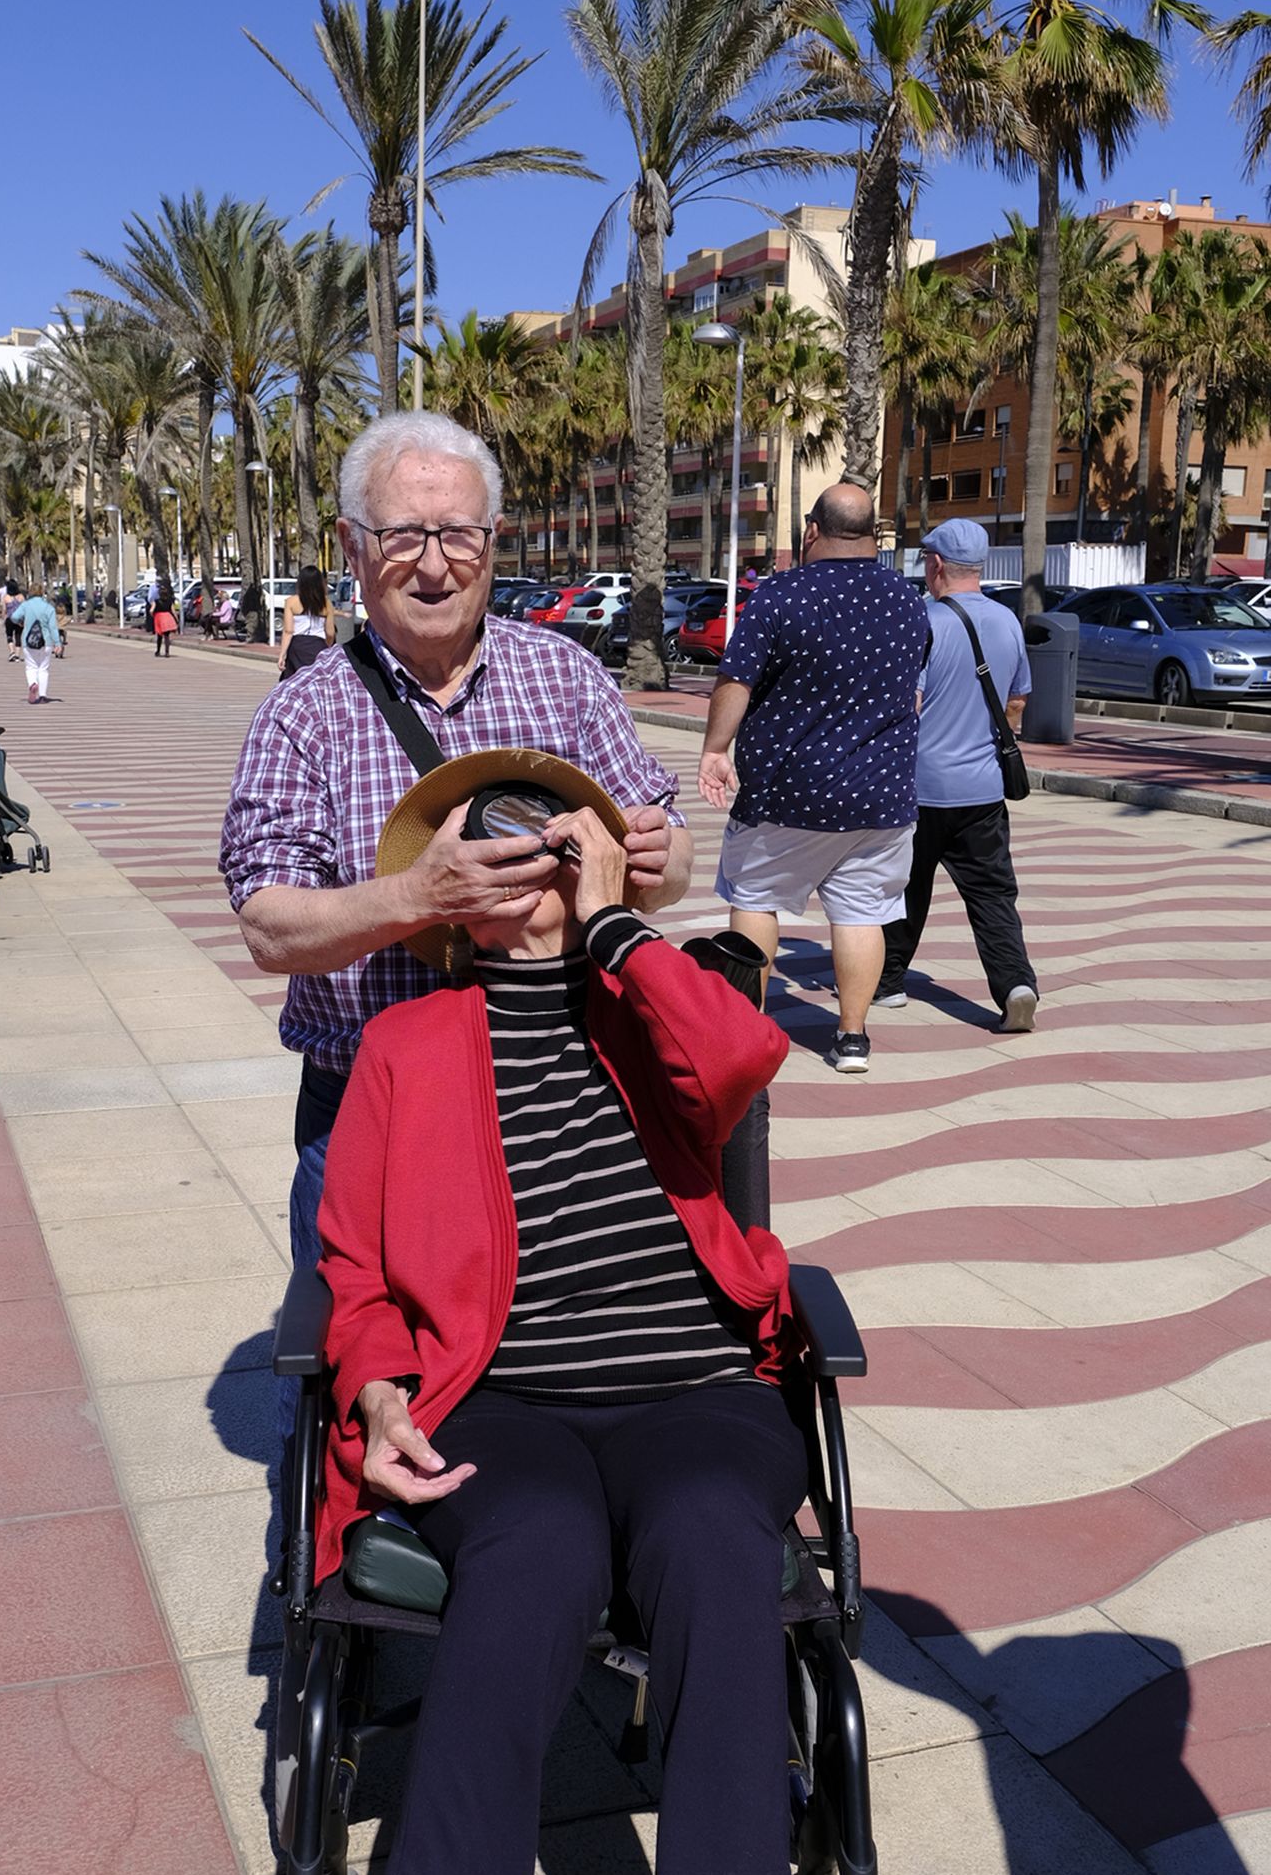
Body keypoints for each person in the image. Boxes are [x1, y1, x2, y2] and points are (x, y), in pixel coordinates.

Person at [314, 758, 810, 1875]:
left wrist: (617, 927)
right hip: (508, 1395)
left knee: (719, 1531)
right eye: (489, 843)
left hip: (695, 1386)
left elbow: (736, 1066)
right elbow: (352, 1266)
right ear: (452, 893)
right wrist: (375, 1379)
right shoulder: (409, 1045)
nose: (523, 859)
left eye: (550, 835)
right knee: (528, 1543)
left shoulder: (652, 989)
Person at [219, 408, 693, 1278]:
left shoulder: (567, 676)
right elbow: (267, 930)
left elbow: (670, 851)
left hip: (564, 1098)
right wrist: (418, 897)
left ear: (493, 539)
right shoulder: (301, 713)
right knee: (367, 1375)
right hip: (372, 1112)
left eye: (460, 534)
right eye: (404, 533)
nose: (435, 564)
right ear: (353, 546)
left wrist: (660, 865)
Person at [697, 482, 926, 1075]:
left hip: (787, 791)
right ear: (872, 534)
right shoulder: (907, 600)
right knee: (860, 914)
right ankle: (852, 1038)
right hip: (882, 794)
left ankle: (747, 1026)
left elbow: (736, 680)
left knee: (756, 898)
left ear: (812, 531)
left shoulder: (779, 595)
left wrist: (716, 749)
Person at [872, 517, 1038, 1033]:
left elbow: (909, 703)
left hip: (921, 788)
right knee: (992, 894)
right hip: (983, 790)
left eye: (926, 560)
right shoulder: (1009, 622)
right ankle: (1014, 983)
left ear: (938, 564)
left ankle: (887, 983)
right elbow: (1016, 700)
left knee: (904, 888)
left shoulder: (925, 621)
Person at [278, 564, 336, 679]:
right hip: (318, 645)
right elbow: (330, 633)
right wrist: (327, 648)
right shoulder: (326, 604)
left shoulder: (291, 602)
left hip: (297, 646)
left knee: (294, 682)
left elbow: (288, 631)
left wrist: (282, 654)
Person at [17, 588, 61, 702]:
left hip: (28, 641)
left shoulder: (26, 606)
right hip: (46, 642)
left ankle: (33, 684)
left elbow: (14, 617)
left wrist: (22, 622)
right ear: (42, 594)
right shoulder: (49, 608)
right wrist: (57, 643)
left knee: (31, 667)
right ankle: (42, 695)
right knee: (43, 669)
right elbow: (53, 627)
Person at [152, 576, 178, 660]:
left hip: (159, 617)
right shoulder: (170, 601)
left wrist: (153, 614)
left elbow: (151, 610)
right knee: (167, 636)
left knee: (159, 635)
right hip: (168, 617)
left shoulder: (156, 601)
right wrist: (176, 619)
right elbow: (173, 611)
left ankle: (158, 650)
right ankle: (167, 652)